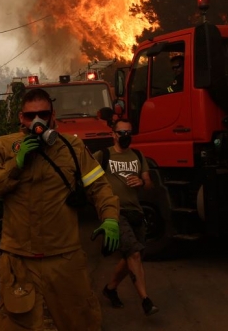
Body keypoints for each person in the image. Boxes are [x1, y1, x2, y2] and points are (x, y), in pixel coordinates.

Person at [0, 87, 121, 331]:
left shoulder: (72, 147)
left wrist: (110, 217)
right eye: (30, 116)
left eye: (43, 114)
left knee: (81, 321)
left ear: (53, 115)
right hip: (19, 262)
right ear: (21, 118)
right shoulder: (4, 146)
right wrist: (15, 164)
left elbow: (99, 187)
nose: (37, 121)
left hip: (64, 259)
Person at [93, 119, 159, 317]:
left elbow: (149, 184)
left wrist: (141, 182)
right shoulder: (103, 155)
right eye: (121, 132)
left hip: (135, 211)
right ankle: (146, 300)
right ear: (113, 134)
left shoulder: (138, 155)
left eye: (128, 132)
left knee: (132, 255)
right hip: (114, 211)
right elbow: (87, 177)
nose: (125, 136)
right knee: (134, 254)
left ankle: (110, 288)